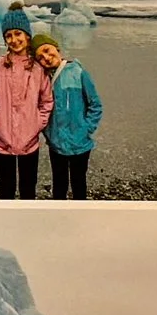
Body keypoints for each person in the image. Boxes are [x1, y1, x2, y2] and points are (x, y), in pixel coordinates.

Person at [0, 8, 52, 198]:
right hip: (2, 143)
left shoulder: (38, 69)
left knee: (28, 188)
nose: (14, 39)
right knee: (6, 188)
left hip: (30, 142)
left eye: (18, 33)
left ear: (27, 36)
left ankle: (26, 225)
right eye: (9, 35)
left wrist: (37, 124)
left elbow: (46, 102)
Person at [35, 32, 102, 200]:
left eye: (48, 50)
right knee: (59, 184)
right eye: (40, 57)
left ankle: (79, 217)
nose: (47, 57)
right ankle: (59, 218)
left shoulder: (78, 72)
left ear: (57, 49)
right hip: (57, 144)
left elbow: (95, 105)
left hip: (80, 143)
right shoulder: (43, 80)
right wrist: (49, 134)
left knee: (79, 182)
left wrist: (86, 129)